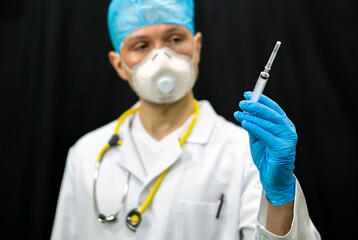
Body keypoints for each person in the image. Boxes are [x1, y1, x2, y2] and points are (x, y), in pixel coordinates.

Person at [51, 0, 321, 239]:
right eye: (141, 45)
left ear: (197, 47)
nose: (162, 57)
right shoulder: (86, 154)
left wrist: (279, 199)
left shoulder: (245, 153)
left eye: (175, 39)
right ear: (120, 64)